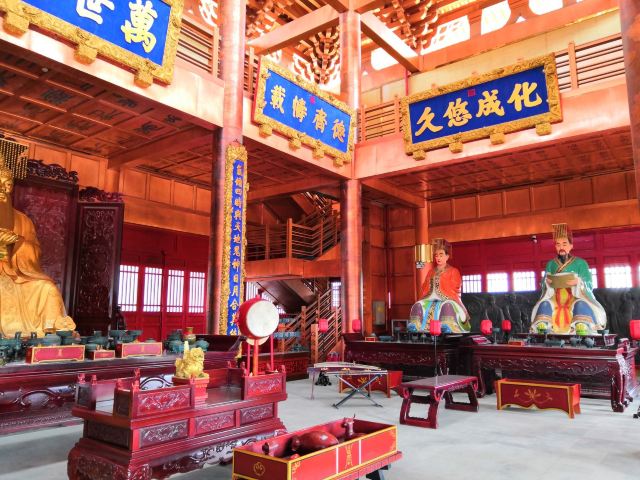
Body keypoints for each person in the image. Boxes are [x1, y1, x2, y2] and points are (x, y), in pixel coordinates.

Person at [0, 155, 75, 337]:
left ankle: (51, 333)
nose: (3, 189)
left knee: (47, 288)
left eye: (7, 184)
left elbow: (35, 250)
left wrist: (16, 242)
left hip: (15, 272)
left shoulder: (22, 220)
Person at [530, 224, 606, 335]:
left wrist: (579, 282)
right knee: (545, 304)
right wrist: (546, 282)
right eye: (558, 244)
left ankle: (580, 329)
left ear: (571, 246)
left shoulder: (581, 263)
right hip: (555, 298)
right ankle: (544, 330)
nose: (561, 247)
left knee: (580, 305)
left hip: (575, 296)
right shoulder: (551, 264)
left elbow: (589, 283)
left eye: (564, 244)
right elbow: (543, 282)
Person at [409, 239, 470, 333]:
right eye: (436, 255)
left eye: (441, 255)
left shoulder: (453, 271)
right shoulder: (431, 272)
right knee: (418, 305)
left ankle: (447, 325)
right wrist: (430, 283)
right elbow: (424, 286)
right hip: (430, 297)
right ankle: (416, 325)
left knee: (447, 306)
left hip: (448, 298)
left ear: (447, 256)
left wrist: (441, 281)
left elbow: (456, 286)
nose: (438, 258)